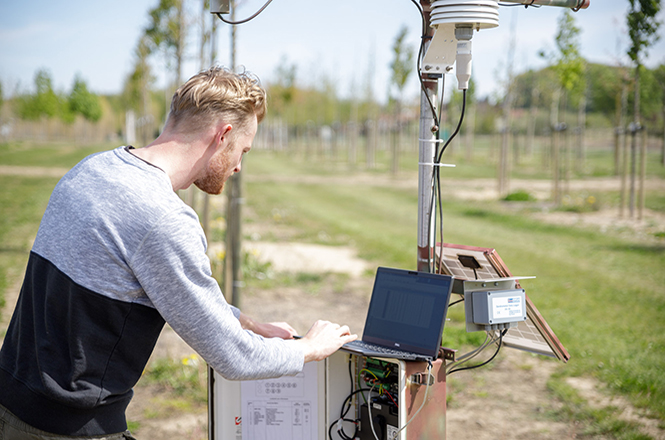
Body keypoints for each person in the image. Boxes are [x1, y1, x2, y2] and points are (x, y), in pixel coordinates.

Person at [0, 66, 357, 439]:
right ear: (224, 135)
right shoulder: (163, 218)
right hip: (67, 430)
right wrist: (311, 349)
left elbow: (155, 291)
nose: (238, 166)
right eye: (243, 151)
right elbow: (233, 358)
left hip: (12, 408)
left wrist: (247, 323)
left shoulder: (91, 169)